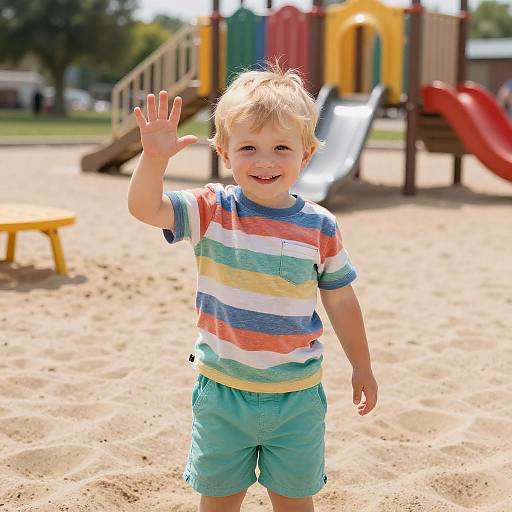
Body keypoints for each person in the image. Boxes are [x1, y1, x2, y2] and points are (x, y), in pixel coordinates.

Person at [128, 65, 378, 512]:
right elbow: (147, 208)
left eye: (281, 147)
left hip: (296, 398)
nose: (265, 161)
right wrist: (154, 159)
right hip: (223, 392)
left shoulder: (320, 226)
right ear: (225, 153)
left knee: (295, 503)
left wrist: (362, 365)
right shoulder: (211, 210)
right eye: (249, 147)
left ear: (306, 155)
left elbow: (340, 299)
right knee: (220, 501)